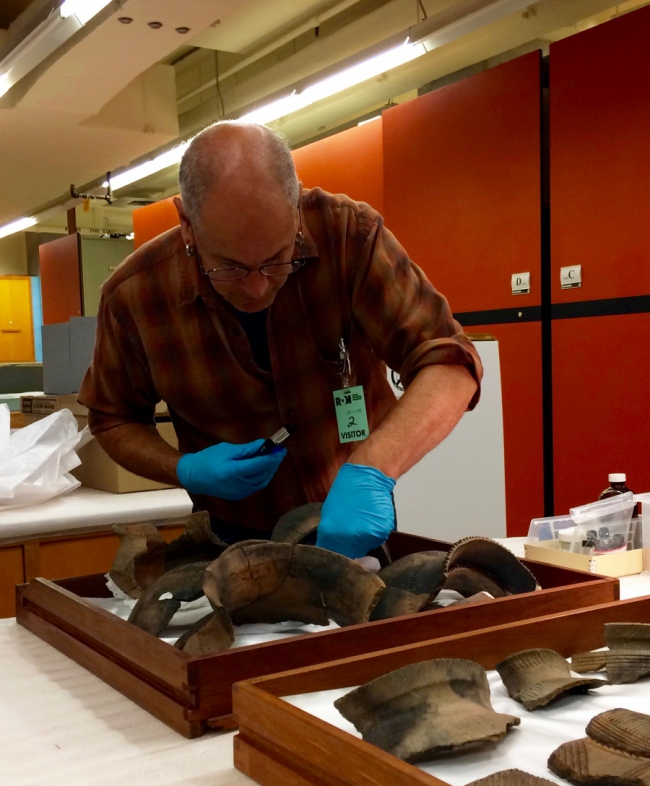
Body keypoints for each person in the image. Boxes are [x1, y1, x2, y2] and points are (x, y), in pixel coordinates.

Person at [78, 121, 482, 557]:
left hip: (350, 516)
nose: (257, 288)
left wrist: (372, 470)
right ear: (187, 224)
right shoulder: (135, 295)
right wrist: (184, 468)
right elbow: (112, 418)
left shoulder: (349, 236)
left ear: (295, 210)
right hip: (231, 537)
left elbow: (449, 363)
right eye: (229, 268)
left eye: (276, 260)